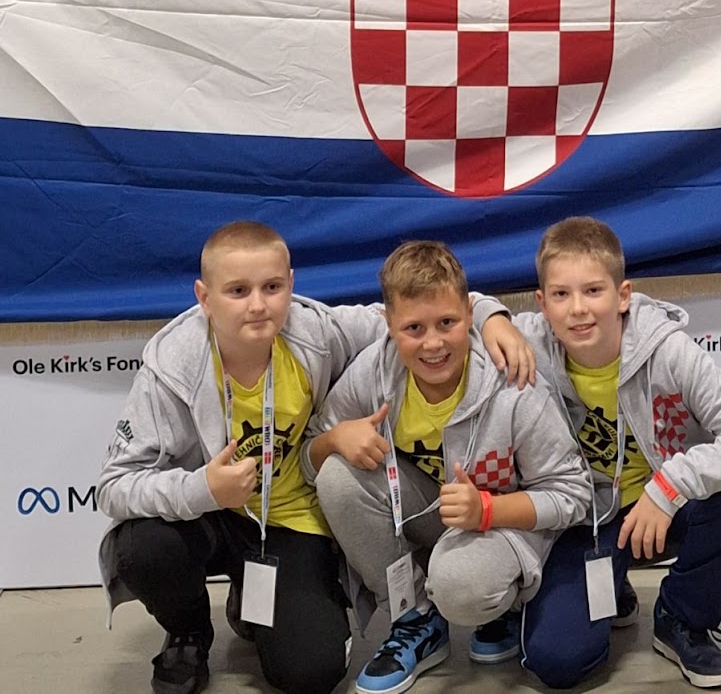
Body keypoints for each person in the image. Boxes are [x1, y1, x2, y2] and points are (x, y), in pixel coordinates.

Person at [95, 220, 532, 694]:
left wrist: (492, 316)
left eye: (272, 287)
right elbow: (114, 487)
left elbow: (419, 310)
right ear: (204, 297)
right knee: (143, 547)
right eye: (238, 290)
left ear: (291, 284)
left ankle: (253, 601)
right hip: (208, 515)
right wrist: (203, 488)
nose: (258, 304)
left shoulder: (315, 331)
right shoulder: (172, 365)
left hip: (289, 524)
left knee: (310, 674)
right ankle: (188, 632)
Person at [511, 216, 721, 690]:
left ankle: (681, 618)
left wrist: (668, 486)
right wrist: (489, 317)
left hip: (662, 508)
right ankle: (610, 585)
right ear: (541, 303)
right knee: (557, 663)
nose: (578, 309)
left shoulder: (668, 350)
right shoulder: (525, 341)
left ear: (623, 296)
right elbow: (434, 321)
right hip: (582, 520)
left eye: (593, 291)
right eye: (561, 294)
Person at [309, 240, 592, 694]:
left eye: (447, 323)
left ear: (470, 314)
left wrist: (489, 511)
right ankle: (416, 618)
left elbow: (574, 494)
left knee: (462, 586)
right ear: (388, 325)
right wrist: (333, 439)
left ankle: (503, 603)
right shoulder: (374, 370)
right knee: (337, 473)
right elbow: (309, 459)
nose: (433, 343)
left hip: (503, 521)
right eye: (414, 328)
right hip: (435, 514)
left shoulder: (512, 380)